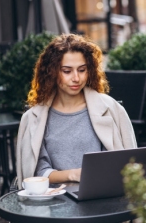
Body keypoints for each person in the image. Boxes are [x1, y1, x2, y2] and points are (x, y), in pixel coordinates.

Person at [15, 33, 137, 188]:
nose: (76, 78)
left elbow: (128, 164)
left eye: (82, 70)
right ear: (52, 72)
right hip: (53, 204)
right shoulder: (34, 118)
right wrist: (74, 174)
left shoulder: (111, 109)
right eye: (67, 71)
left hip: (102, 198)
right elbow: (36, 172)